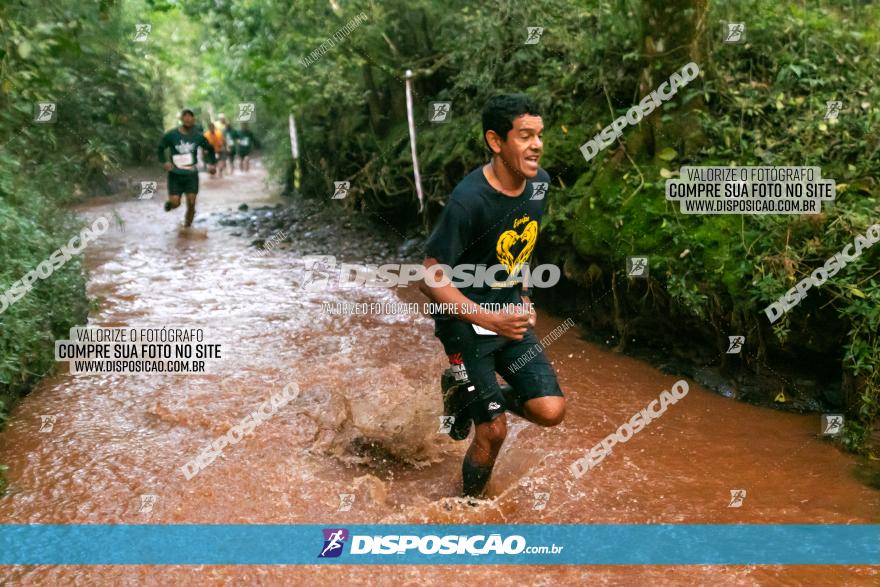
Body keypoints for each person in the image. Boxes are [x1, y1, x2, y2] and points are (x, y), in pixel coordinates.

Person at [419, 94, 565, 498]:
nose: (537, 145)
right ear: (496, 141)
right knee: (493, 431)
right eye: (524, 136)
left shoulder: (540, 185)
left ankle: (459, 391)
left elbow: (525, 244)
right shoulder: (468, 201)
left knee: (550, 410)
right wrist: (488, 319)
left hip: (507, 312)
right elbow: (429, 277)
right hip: (463, 321)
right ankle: (469, 516)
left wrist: (525, 294)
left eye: (539, 135)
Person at [157, 109, 216, 227]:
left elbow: (210, 149)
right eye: (185, 116)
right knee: (176, 203)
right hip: (175, 174)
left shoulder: (198, 136)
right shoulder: (171, 135)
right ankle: (171, 204)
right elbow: (160, 148)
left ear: (193, 120)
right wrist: (164, 162)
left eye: (190, 116)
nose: (188, 119)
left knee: (191, 202)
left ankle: (187, 228)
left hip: (191, 174)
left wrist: (212, 163)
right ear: (181, 119)